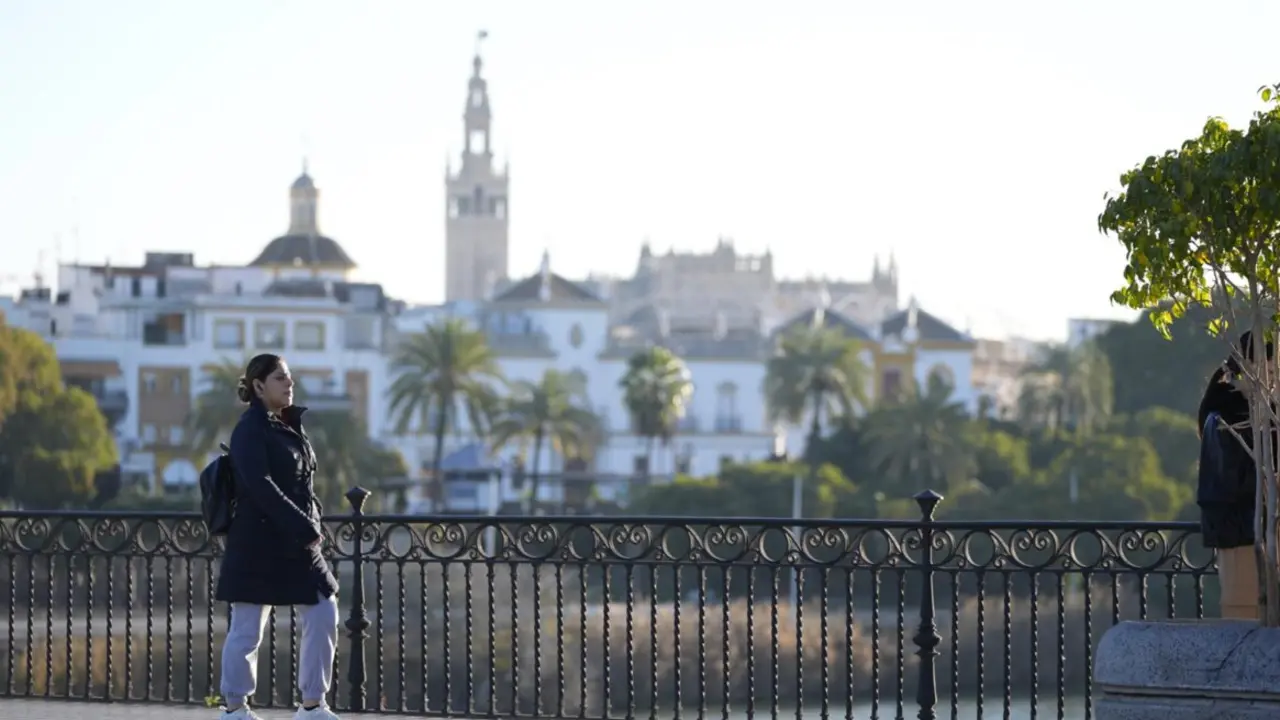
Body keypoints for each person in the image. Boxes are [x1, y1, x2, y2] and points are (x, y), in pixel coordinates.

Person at [215, 353, 341, 720]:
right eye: (280, 378)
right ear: (258, 386)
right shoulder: (249, 430)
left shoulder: (287, 425)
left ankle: (313, 705)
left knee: (323, 611)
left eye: (289, 378)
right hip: (257, 543)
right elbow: (260, 486)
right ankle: (234, 709)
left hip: (296, 543)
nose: (290, 383)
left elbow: (303, 484)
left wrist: (310, 522)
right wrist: (305, 526)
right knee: (247, 630)